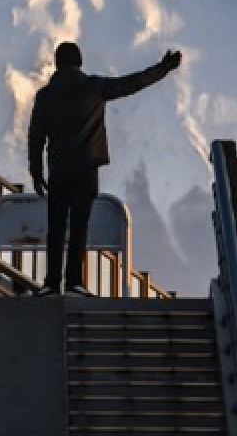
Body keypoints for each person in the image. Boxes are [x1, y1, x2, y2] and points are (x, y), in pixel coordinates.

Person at [27, 42, 182, 296]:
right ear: (79, 62)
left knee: (56, 227)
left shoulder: (45, 96)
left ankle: (51, 283)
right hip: (87, 169)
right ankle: (75, 282)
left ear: (56, 63)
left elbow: (36, 136)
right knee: (79, 225)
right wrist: (163, 68)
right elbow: (132, 83)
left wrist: (35, 170)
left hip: (58, 171)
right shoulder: (94, 87)